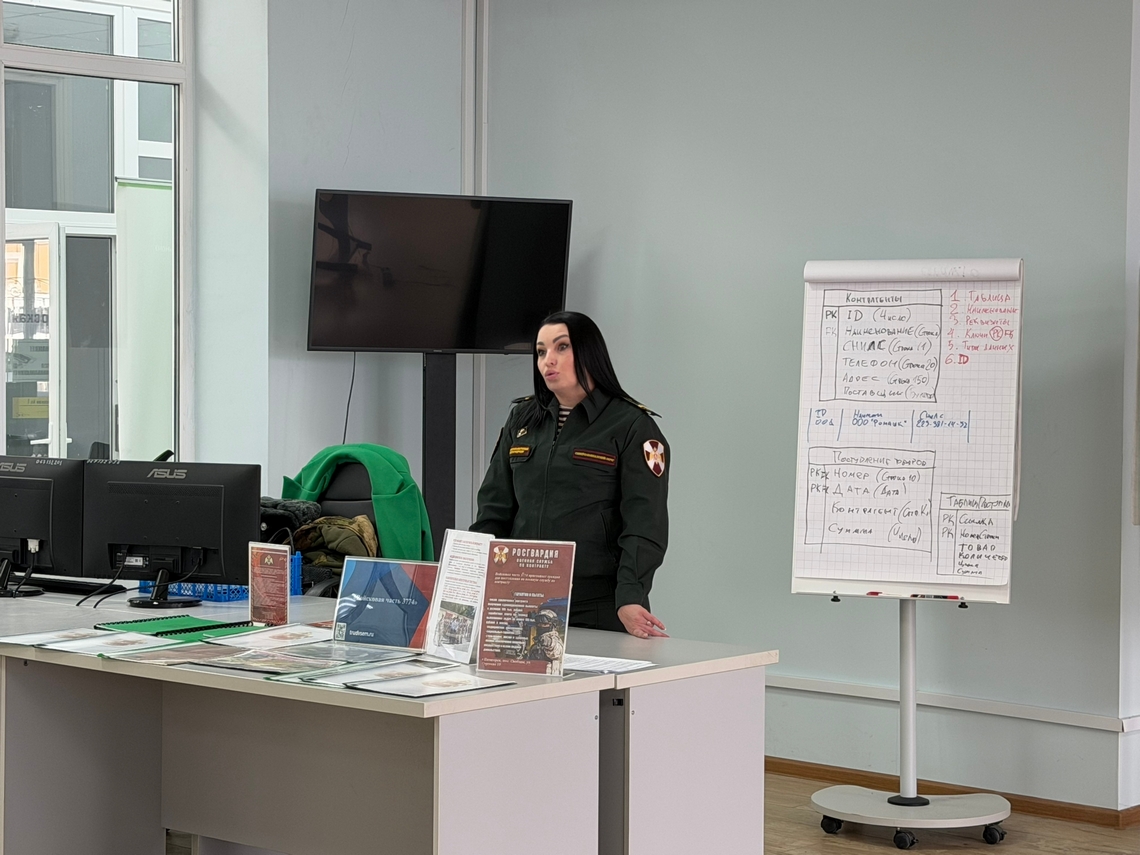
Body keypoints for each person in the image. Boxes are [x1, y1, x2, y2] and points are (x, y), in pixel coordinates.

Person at [471, 311, 669, 638]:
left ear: (589, 353)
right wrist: (473, 579)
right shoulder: (522, 419)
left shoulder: (632, 425)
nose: (548, 360)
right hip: (522, 598)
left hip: (597, 604)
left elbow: (645, 523)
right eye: (541, 351)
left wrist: (630, 597)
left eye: (561, 347)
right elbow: (493, 511)